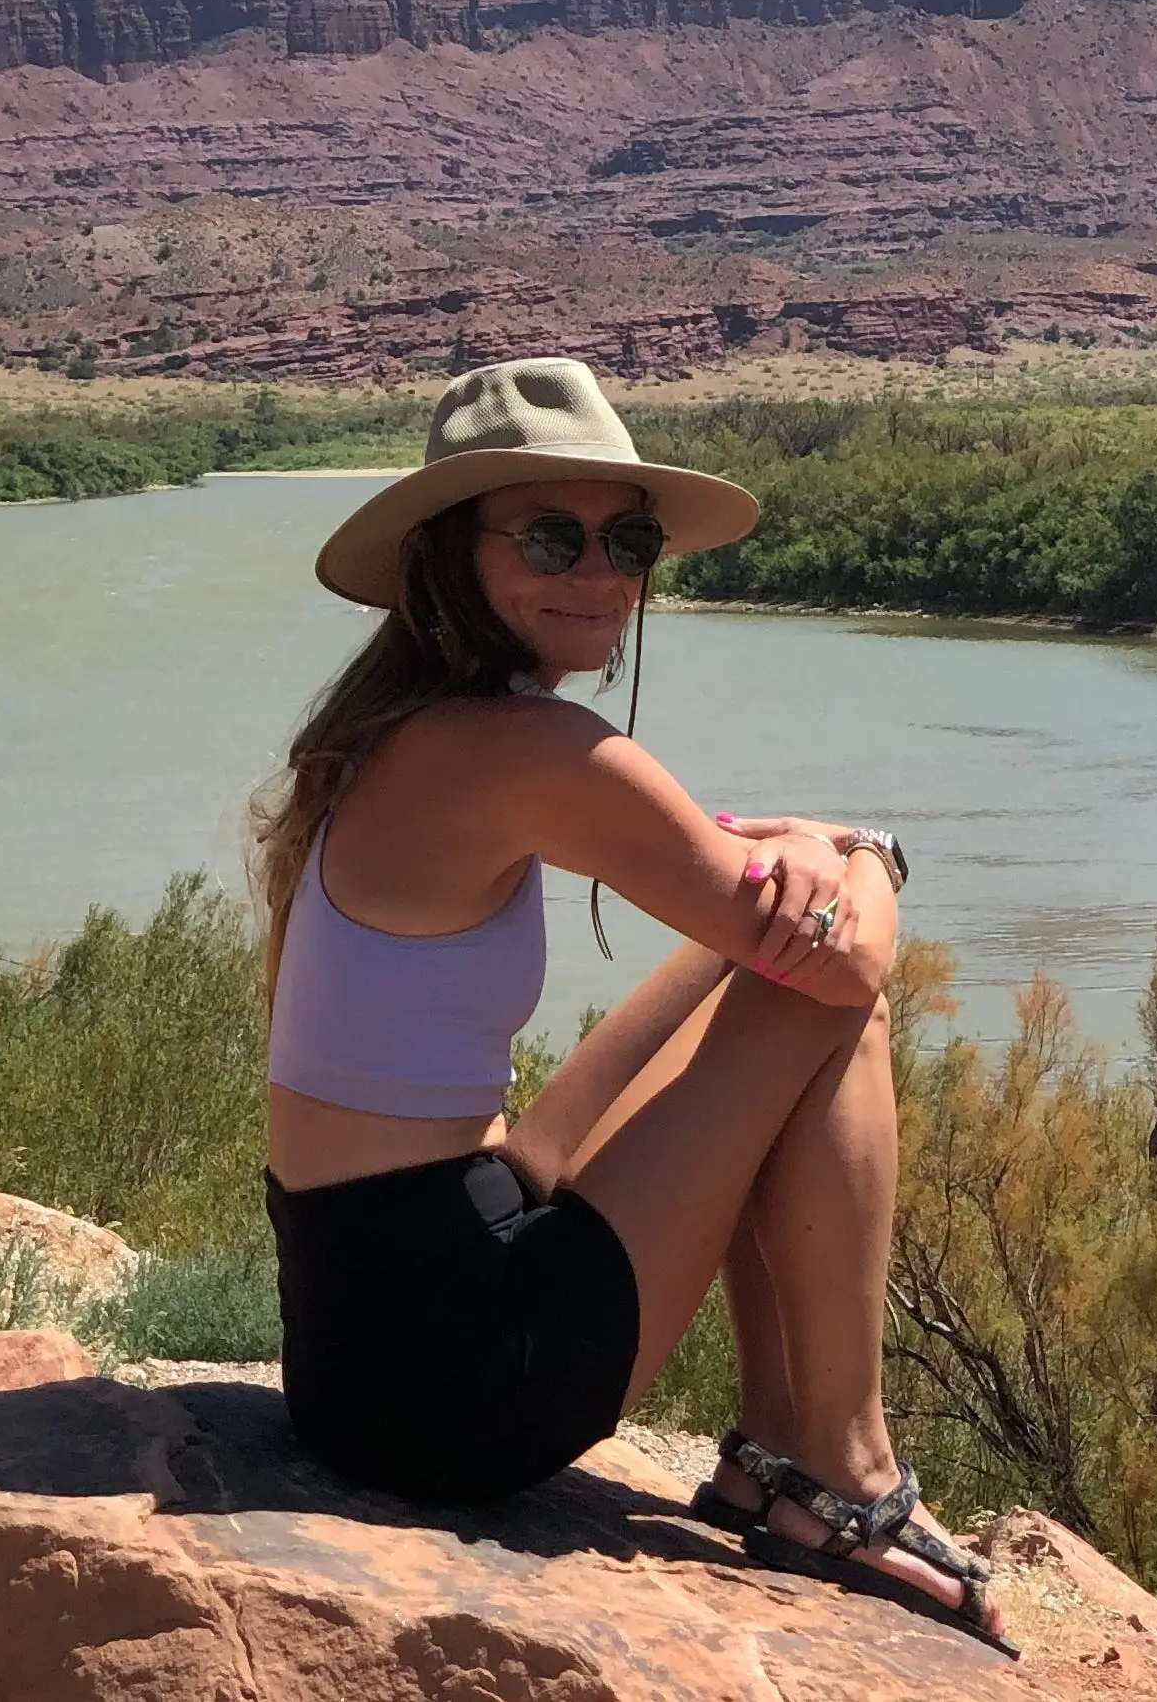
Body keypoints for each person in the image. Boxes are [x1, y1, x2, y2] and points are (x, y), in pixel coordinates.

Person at [250, 355, 1008, 1653]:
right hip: (467, 1385)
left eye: (629, 539)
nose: (601, 573)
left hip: (359, 1356)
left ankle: (782, 1460)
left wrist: (805, 864)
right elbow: (846, 964)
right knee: (826, 1008)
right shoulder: (530, 751)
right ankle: (841, 1473)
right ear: (450, 555)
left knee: (748, 965)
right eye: (552, 535)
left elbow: (753, 927)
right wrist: (870, 854)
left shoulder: (386, 734)